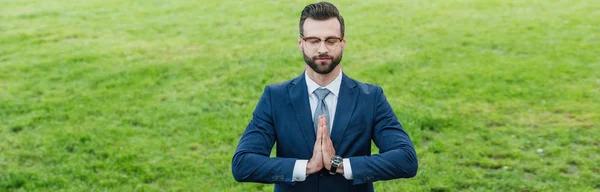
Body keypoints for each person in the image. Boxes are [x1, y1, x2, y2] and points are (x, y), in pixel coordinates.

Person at [232, 2, 418, 191]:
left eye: (331, 40)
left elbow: (406, 159)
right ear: (301, 43)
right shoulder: (275, 97)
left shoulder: (370, 97)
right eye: (313, 40)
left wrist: (339, 165)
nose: (322, 49)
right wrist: (306, 167)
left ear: (343, 43)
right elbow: (242, 164)